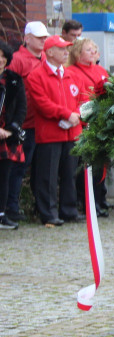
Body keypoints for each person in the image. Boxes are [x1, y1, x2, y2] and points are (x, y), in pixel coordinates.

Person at [25, 35, 82, 226]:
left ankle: (68, 209)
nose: (66, 52)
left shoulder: (71, 74)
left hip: (72, 131)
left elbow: (82, 98)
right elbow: (42, 104)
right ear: (49, 52)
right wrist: (66, 114)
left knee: (69, 173)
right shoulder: (36, 75)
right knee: (47, 176)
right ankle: (48, 212)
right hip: (50, 133)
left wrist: (75, 115)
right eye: (61, 49)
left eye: (66, 49)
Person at [4, 21, 48, 223]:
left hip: (42, 124)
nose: (42, 41)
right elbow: (11, 95)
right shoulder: (17, 60)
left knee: (39, 170)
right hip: (24, 124)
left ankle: (40, 207)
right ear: (27, 38)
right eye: (39, 38)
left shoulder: (46, 58)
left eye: (44, 38)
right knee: (17, 168)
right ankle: (11, 207)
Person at [66, 38, 111, 217]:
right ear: (78, 53)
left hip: (100, 124)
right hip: (84, 124)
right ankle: (85, 202)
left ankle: (99, 200)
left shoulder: (101, 71)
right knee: (84, 167)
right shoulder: (72, 72)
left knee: (100, 166)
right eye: (88, 49)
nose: (93, 52)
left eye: (94, 49)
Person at [0, 41, 27, 229]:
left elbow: (21, 108)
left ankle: (2, 214)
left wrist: (11, 129)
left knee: (4, 176)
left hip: (7, 136)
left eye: (3, 56)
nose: (0, 60)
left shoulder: (14, 80)